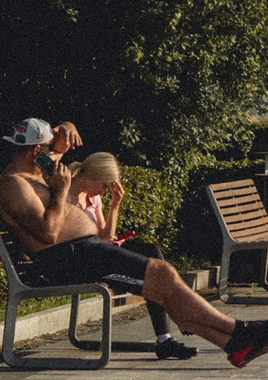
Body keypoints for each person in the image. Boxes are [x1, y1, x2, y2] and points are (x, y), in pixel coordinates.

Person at [0, 118, 268, 367]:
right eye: (46, 149)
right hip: (69, 259)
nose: (53, 156)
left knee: (162, 280)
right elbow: (48, 233)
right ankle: (240, 330)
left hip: (85, 251)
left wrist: (65, 131)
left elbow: (58, 152)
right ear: (35, 150)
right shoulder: (15, 184)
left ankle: (234, 345)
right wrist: (60, 192)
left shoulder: (34, 173)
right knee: (162, 275)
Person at [70, 148, 197, 360]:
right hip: (85, 261)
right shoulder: (67, 198)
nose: (102, 192)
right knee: (153, 274)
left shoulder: (93, 199)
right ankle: (172, 327)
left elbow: (106, 235)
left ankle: (166, 337)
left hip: (101, 252)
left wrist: (115, 206)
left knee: (151, 252)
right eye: (103, 186)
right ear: (91, 177)